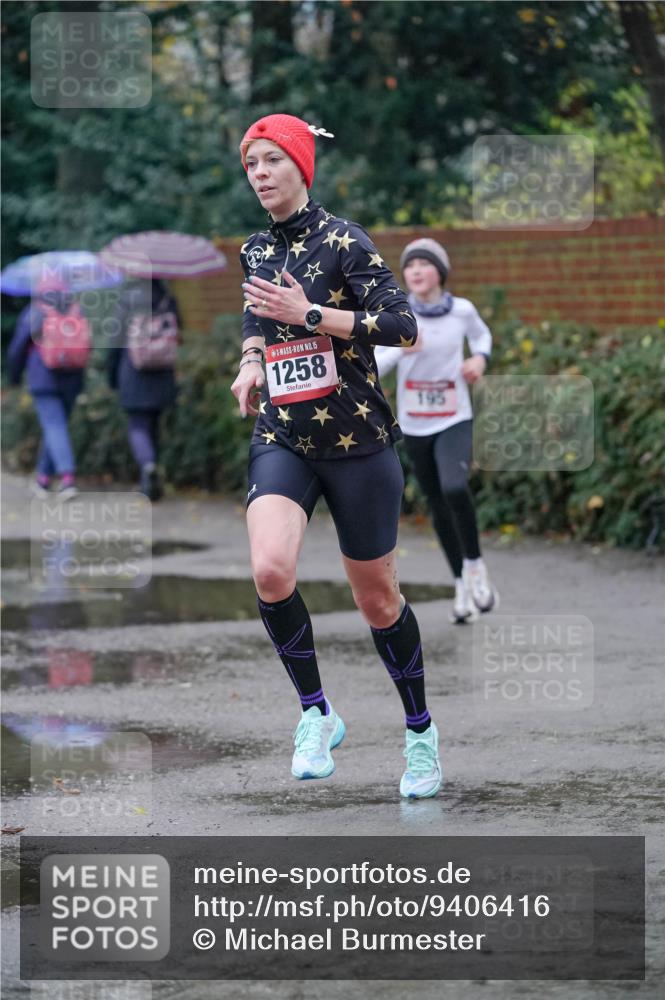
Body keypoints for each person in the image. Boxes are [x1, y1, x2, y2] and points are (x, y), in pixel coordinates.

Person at [230, 113, 442, 799]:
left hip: (358, 442)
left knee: (377, 601)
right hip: (284, 434)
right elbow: (256, 317)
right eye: (251, 164)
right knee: (269, 569)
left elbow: (403, 326)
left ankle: (419, 733)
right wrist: (251, 360)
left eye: (271, 160)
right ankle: (316, 713)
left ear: (300, 165)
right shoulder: (255, 250)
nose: (260, 173)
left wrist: (312, 316)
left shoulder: (344, 241)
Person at [375, 238, 498, 623]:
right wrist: (403, 348)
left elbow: (482, 336)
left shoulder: (462, 310)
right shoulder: (397, 315)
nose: (415, 271)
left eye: (424, 264)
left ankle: (475, 566)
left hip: (454, 417)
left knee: (454, 488)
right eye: (410, 265)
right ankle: (460, 585)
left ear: (440, 272)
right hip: (414, 424)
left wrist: (479, 359)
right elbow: (374, 365)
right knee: (437, 504)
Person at [7, 281, 89, 500]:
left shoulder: (36, 310)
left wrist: (14, 377)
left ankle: (67, 478)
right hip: (72, 377)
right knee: (56, 427)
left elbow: (17, 347)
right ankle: (43, 478)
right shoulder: (77, 309)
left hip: (43, 377)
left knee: (54, 427)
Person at [108, 278, 179, 500]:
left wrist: (111, 376)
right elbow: (178, 333)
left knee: (138, 425)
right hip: (163, 373)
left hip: (133, 373)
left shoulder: (127, 299)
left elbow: (114, 341)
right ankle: (151, 484)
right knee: (154, 426)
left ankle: (147, 467)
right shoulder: (167, 299)